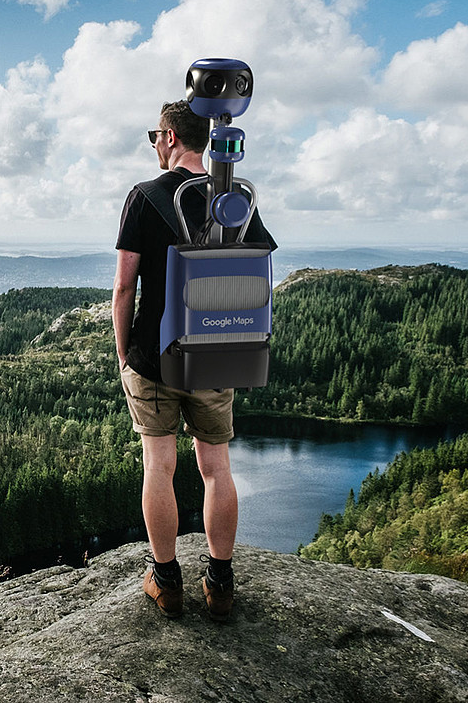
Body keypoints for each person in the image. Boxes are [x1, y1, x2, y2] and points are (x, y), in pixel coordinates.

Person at [112, 99, 276, 621]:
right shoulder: (236, 199)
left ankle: (166, 581)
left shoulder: (145, 197)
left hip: (155, 358)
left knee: (159, 466)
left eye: (154, 137)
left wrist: (122, 356)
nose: (155, 146)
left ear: (168, 137)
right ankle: (221, 583)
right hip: (215, 356)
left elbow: (123, 287)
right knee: (215, 467)